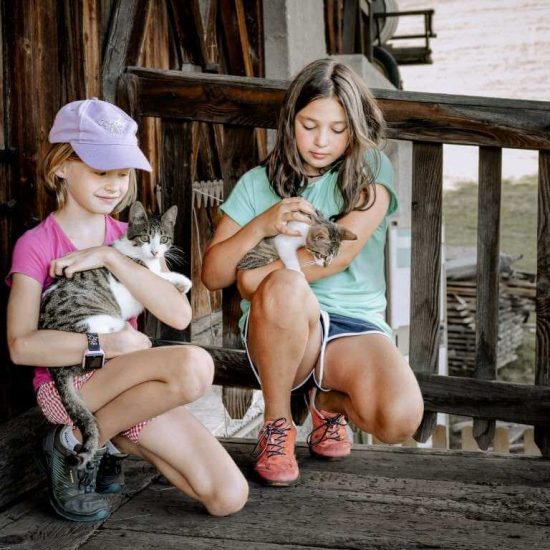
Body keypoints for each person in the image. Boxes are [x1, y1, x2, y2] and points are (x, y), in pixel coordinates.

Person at [6, 98, 248, 521]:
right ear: (61, 167)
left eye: (122, 173)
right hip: (74, 388)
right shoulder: (37, 244)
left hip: (132, 392)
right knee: (193, 365)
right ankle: (79, 438)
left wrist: (112, 257)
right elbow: (21, 346)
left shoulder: (131, 236)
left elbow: (178, 314)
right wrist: (107, 343)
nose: (115, 185)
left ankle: (85, 439)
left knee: (229, 497)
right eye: (101, 171)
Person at [202, 59, 424, 487]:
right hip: (280, 328)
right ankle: (277, 425)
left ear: (354, 128)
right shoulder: (256, 183)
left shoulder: (371, 171)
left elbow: (336, 256)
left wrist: (251, 279)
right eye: (309, 125)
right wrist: (261, 224)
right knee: (285, 283)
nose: (322, 141)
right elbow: (213, 275)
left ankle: (325, 400)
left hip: (353, 326)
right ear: (290, 121)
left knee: (399, 419)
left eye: (338, 129)